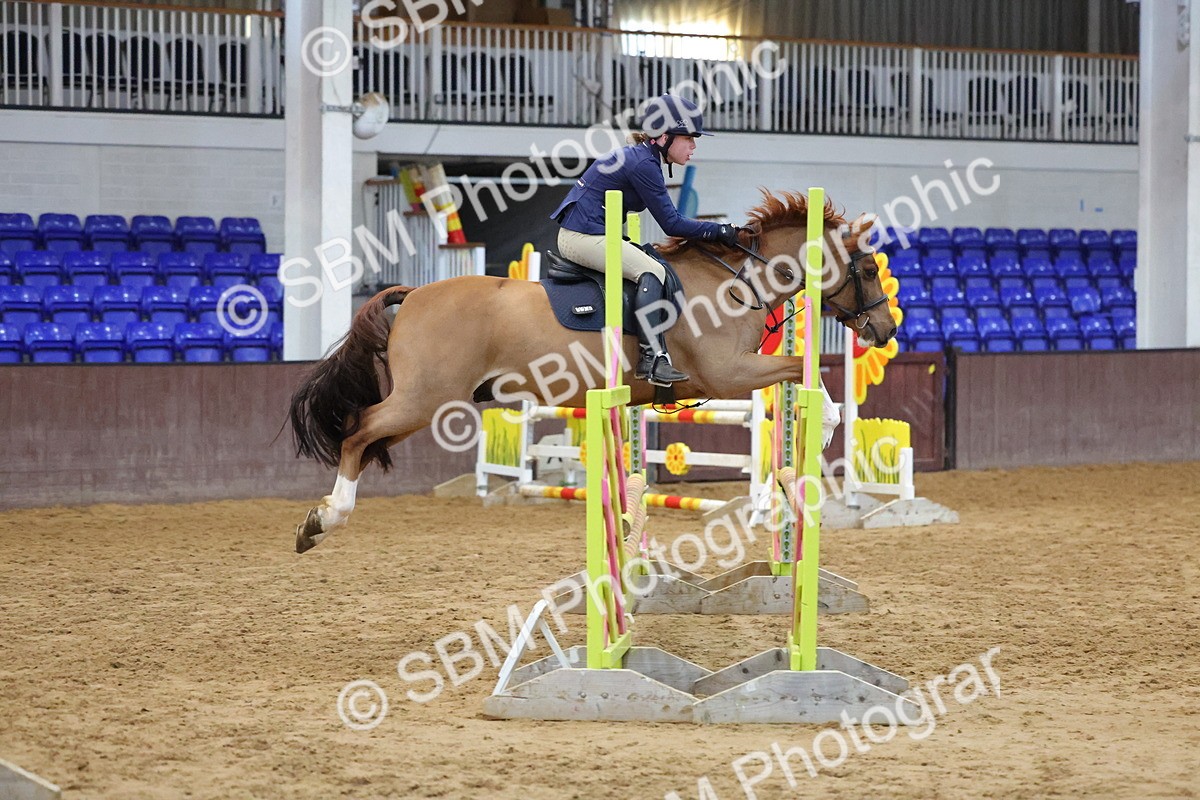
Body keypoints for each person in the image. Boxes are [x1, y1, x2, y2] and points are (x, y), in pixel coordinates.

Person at [550, 94, 741, 386]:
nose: (693, 146)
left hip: (588, 233)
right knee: (653, 271)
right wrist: (720, 231)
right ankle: (652, 358)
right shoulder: (644, 165)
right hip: (581, 238)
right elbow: (672, 223)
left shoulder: (642, 157)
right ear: (664, 137)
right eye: (688, 138)